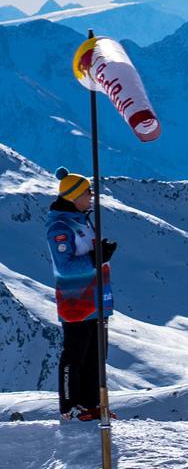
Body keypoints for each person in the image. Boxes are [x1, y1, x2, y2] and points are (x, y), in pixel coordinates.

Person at [45, 168, 114, 420]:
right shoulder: (60, 226)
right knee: (75, 354)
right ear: (74, 196)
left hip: (95, 299)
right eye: (88, 193)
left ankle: (91, 403)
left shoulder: (81, 219)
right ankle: (70, 407)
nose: (92, 196)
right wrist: (96, 259)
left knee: (95, 354)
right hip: (76, 302)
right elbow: (64, 265)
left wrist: (100, 254)